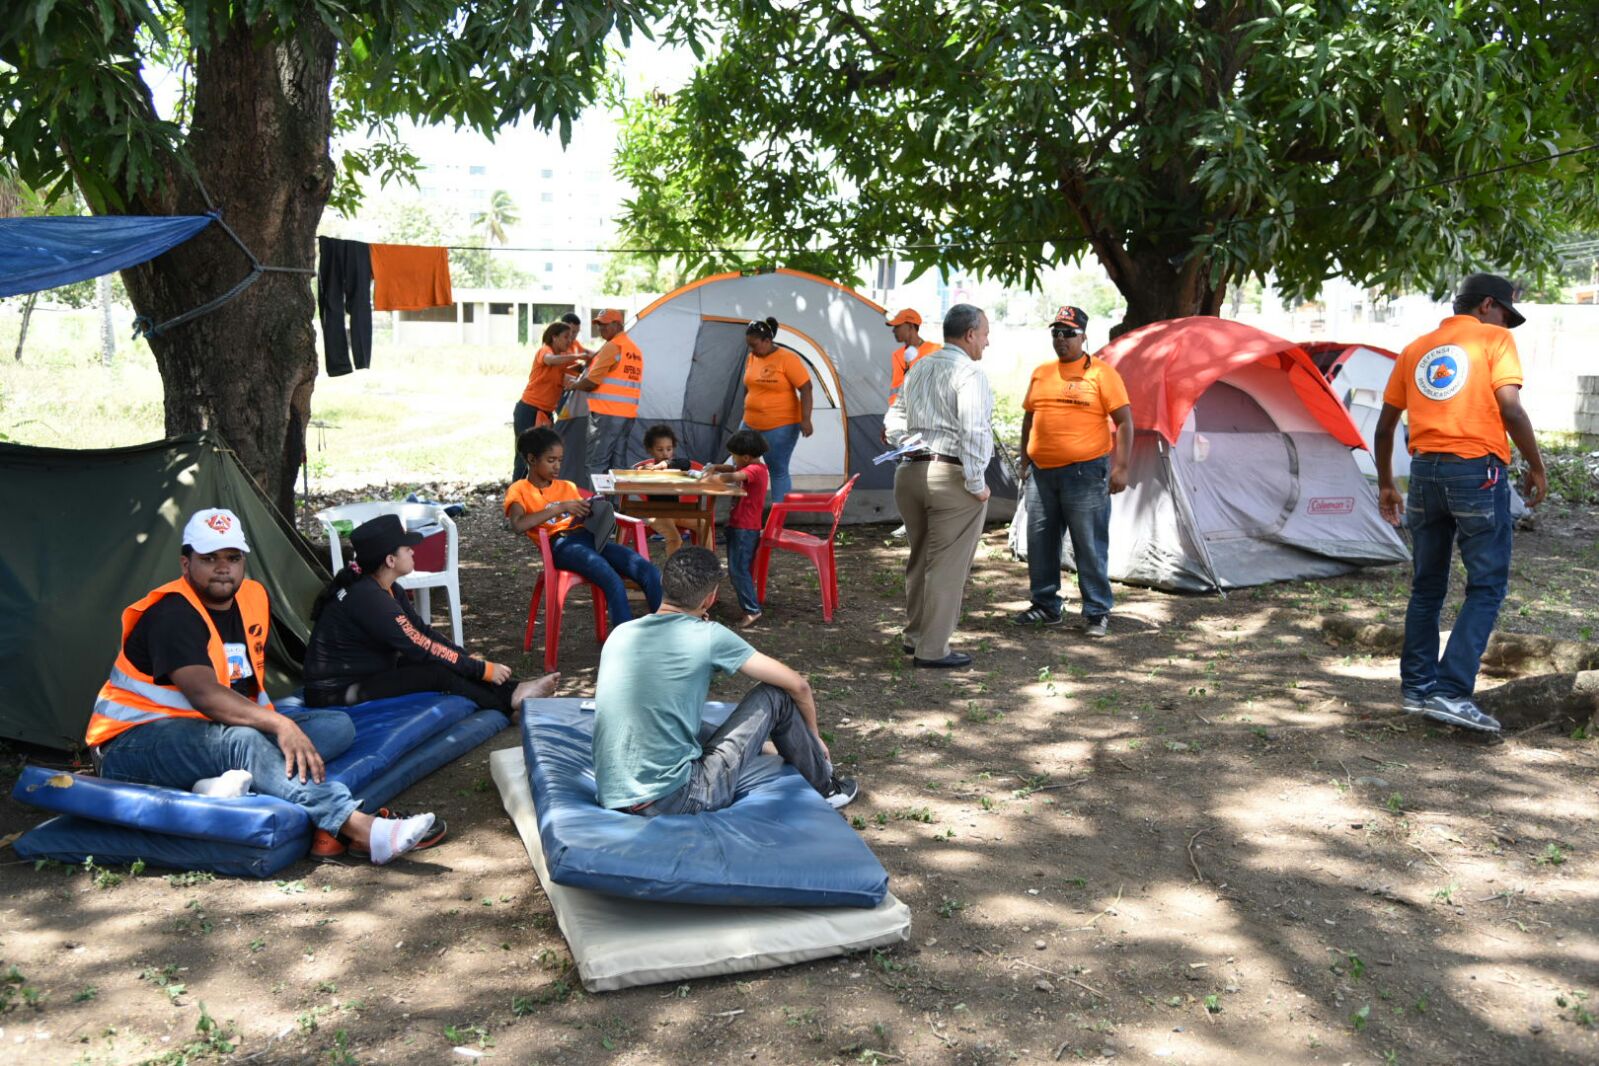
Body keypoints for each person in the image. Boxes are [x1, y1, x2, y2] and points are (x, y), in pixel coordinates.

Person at [87, 509, 440, 864]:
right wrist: (280, 724)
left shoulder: (253, 597)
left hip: (209, 735)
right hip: (133, 745)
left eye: (232, 558)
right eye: (209, 558)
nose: (223, 567)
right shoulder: (172, 614)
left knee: (336, 727)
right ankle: (359, 826)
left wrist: (279, 727)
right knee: (245, 741)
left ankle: (217, 781)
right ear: (185, 563)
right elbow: (206, 695)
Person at [1374, 273, 1548, 733]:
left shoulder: (1415, 349)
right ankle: (1451, 693)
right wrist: (1536, 465)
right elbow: (1510, 408)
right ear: (1487, 305)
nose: (1506, 325)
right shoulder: (1494, 340)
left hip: (1424, 474)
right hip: (1476, 472)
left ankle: (1416, 689)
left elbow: (1385, 425)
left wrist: (1387, 483)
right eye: (1506, 314)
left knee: (1427, 586)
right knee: (1487, 586)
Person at [591, 547, 857, 816]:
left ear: (662, 582)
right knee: (775, 696)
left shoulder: (621, 633)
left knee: (683, 721)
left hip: (614, 795)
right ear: (710, 598)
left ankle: (766, 749)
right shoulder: (709, 636)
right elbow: (798, 685)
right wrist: (814, 737)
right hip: (677, 798)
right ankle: (825, 788)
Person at [303, 514, 558, 715]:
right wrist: (479, 668)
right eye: (407, 548)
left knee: (443, 661)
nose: (413, 551)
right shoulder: (369, 598)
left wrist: (468, 659)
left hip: (369, 672)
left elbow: (422, 631)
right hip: (335, 693)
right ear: (390, 560)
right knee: (437, 673)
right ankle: (509, 706)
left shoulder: (388, 588)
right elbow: (421, 647)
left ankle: (515, 690)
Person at [883, 303, 994, 669]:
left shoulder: (920, 366)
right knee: (947, 566)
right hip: (951, 476)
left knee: (920, 558)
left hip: (910, 473)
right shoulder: (969, 373)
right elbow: (974, 430)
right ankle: (932, 650)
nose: (987, 342)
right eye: (985, 334)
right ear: (970, 335)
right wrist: (976, 482)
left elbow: (894, 415)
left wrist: (905, 442)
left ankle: (914, 636)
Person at [1013, 306, 1133, 637]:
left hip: (1085, 473)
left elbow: (1125, 422)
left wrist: (1122, 467)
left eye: (1068, 333)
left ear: (1083, 337)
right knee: (1040, 542)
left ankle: (1096, 611)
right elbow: (1029, 417)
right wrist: (1025, 459)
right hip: (1041, 474)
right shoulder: (1041, 373)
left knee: (1089, 543)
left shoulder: (1102, 374)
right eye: (1056, 333)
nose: (1061, 339)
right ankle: (1046, 606)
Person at [506, 426, 663, 627]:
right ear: (532, 459)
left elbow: (583, 515)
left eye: (560, 460)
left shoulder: (567, 486)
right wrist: (560, 507)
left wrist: (593, 511)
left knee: (649, 571)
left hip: (590, 539)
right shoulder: (519, 489)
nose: (557, 466)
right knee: (612, 579)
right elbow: (518, 525)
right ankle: (624, 640)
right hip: (561, 545)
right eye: (551, 460)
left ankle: (665, 630)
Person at [736, 316, 811, 504]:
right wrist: (747, 405)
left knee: (777, 469)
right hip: (750, 422)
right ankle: (746, 509)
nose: (752, 349)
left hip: (781, 425)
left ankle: (778, 516)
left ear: (767, 341)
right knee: (741, 463)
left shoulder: (787, 359)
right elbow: (748, 385)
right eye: (749, 345)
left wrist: (806, 419)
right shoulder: (752, 357)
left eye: (754, 345)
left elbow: (806, 388)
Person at [566, 308, 644, 482]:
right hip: (627, 416)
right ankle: (617, 499)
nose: (601, 329)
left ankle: (597, 499)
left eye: (605, 325)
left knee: (596, 463)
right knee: (618, 465)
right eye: (599, 325)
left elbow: (592, 382)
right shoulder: (635, 351)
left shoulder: (613, 346)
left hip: (606, 415)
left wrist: (574, 385)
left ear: (617, 325)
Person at [703, 429, 771, 628]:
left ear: (746, 457)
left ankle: (752, 610)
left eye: (734, 455)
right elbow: (732, 468)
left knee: (738, 570)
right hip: (739, 526)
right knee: (739, 568)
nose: (733, 459)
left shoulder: (755, 470)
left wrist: (714, 478)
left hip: (745, 528)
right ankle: (749, 607)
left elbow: (735, 474)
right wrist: (716, 467)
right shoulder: (752, 465)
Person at [513, 320, 586, 480]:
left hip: (546, 413)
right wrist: (579, 356)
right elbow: (550, 360)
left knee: (542, 454)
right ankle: (517, 491)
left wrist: (590, 363)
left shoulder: (563, 360)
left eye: (571, 337)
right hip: (529, 410)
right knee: (525, 456)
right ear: (554, 337)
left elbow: (577, 373)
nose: (570, 340)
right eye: (566, 337)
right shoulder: (545, 351)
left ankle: (535, 488)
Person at [634, 423, 697, 556]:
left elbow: (686, 463)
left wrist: (666, 464)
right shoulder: (648, 468)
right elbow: (636, 471)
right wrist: (646, 469)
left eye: (669, 449)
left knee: (704, 525)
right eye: (660, 449)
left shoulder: (674, 465)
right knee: (675, 538)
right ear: (650, 450)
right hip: (657, 514)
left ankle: (707, 562)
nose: (665, 453)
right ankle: (672, 567)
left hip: (676, 512)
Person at [885, 308, 940, 412]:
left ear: (910, 326)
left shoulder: (935, 350)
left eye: (897, 326)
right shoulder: (897, 355)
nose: (893, 331)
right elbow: (895, 390)